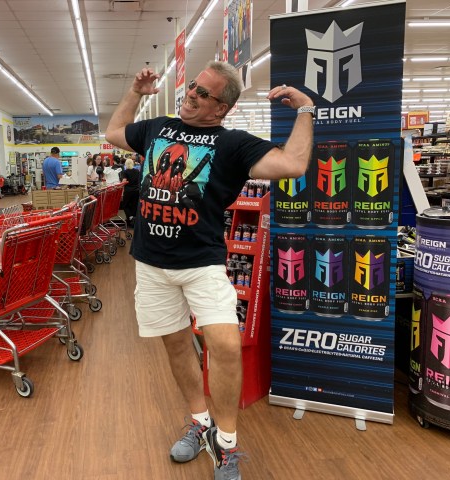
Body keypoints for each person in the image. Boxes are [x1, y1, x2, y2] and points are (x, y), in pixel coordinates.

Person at [105, 61, 314, 480]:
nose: (192, 94)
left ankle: (226, 444)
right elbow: (114, 133)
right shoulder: (158, 128)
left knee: (226, 347)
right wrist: (136, 92)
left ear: (221, 108)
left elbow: (293, 164)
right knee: (176, 346)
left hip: (202, 265)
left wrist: (306, 109)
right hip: (151, 264)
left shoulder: (232, 144)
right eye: (193, 86)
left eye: (204, 93)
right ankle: (200, 422)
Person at [120, 158, 140, 225]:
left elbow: (124, 181)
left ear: (126, 164)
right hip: (136, 191)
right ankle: (134, 219)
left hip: (128, 191)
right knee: (134, 205)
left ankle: (130, 217)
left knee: (125, 205)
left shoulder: (125, 172)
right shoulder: (137, 171)